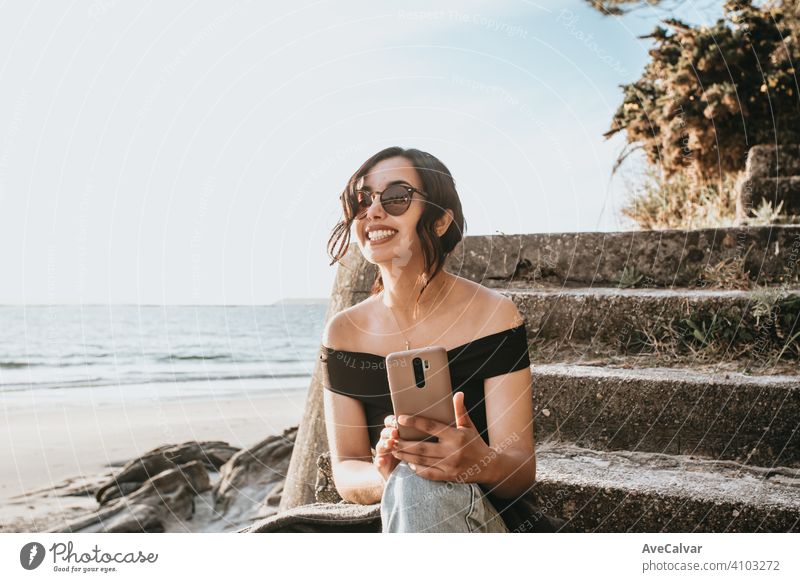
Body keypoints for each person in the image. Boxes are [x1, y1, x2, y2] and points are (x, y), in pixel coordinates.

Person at [319, 146, 536, 533]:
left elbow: (520, 471)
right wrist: (386, 472)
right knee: (413, 481)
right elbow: (347, 468)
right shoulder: (343, 333)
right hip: (392, 512)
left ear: (439, 221)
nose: (374, 211)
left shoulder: (495, 316)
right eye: (362, 199)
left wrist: (478, 460)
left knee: (422, 485)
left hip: (477, 516)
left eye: (397, 197)